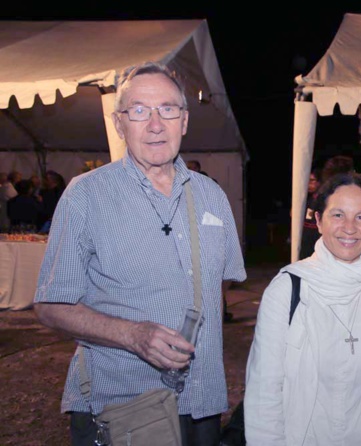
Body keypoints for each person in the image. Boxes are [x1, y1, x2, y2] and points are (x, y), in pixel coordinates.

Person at [33, 61, 246, 446]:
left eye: (167, 109)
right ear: (120, 124)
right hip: (125, 406)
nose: (155, 124)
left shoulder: (212, 196)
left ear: (184, 120)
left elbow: (219, 284)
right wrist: (132, 335)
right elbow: (50, 305)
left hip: (203, 403)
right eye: (139, 111)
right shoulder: (86, 196)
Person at [244, 173, 361, 445]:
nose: (349, 228)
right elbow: (264, 390)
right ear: (319, 221)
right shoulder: (288, 289)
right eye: (338, 215)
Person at [298, 168, 322, 260]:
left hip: (314, 236)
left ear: (319, 182)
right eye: (307, 181)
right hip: (306, 235)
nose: (309, 184)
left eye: (312, 180)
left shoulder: (320, 198)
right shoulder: (307, 197)